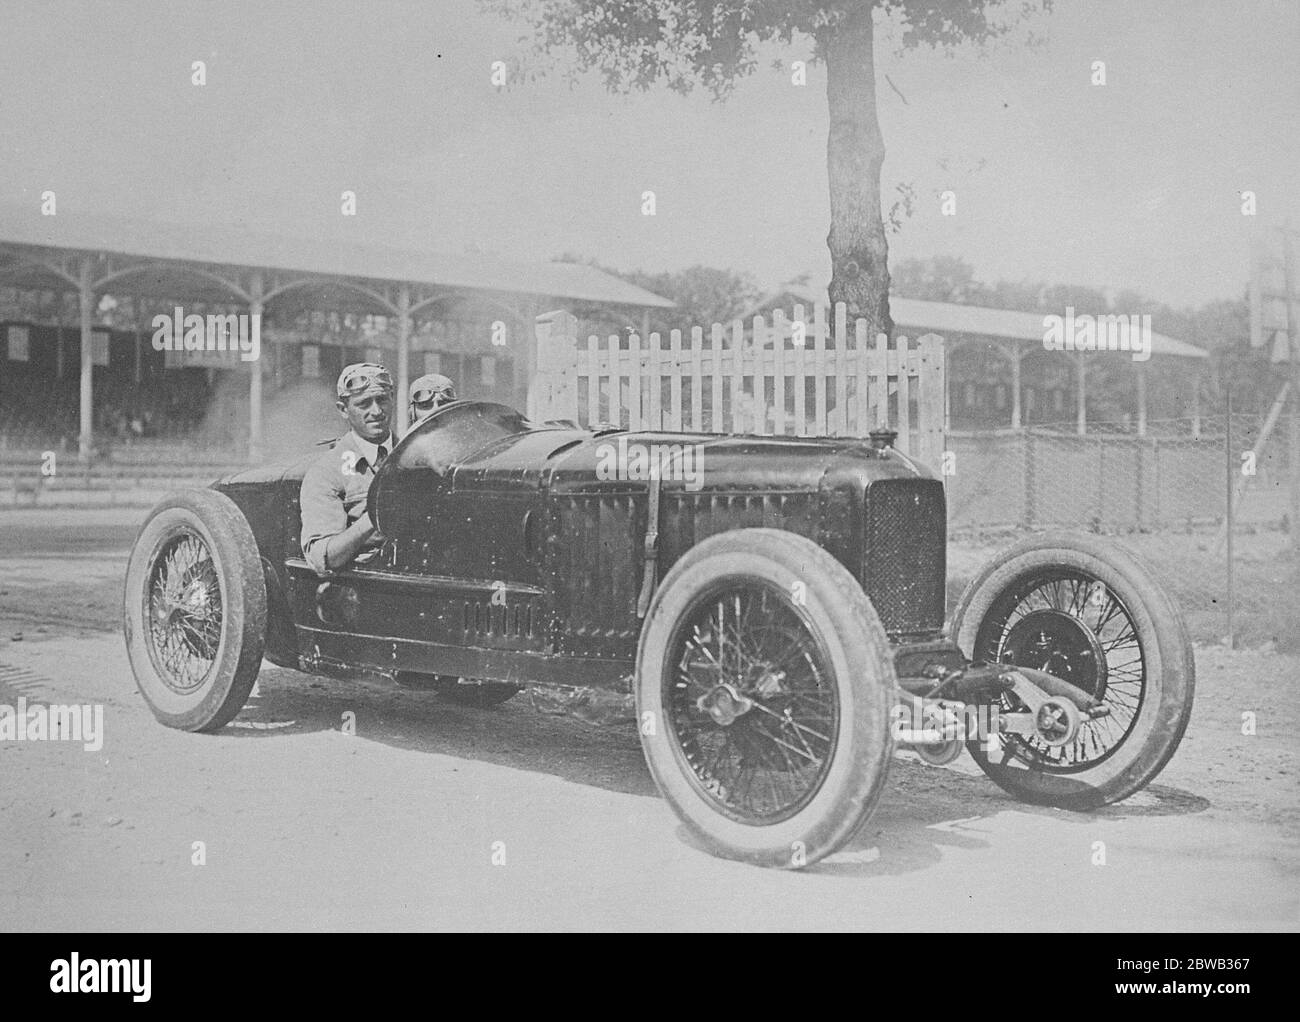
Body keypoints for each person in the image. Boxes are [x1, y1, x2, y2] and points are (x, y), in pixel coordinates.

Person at [299, 362, 396, 575]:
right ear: (344, 410)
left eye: (382, 400)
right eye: (363, 404)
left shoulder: (414, 457)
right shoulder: (328, 472)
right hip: (368, 588)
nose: (376, 411)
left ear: (392, 399)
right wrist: (374, 517)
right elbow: (323, 557)